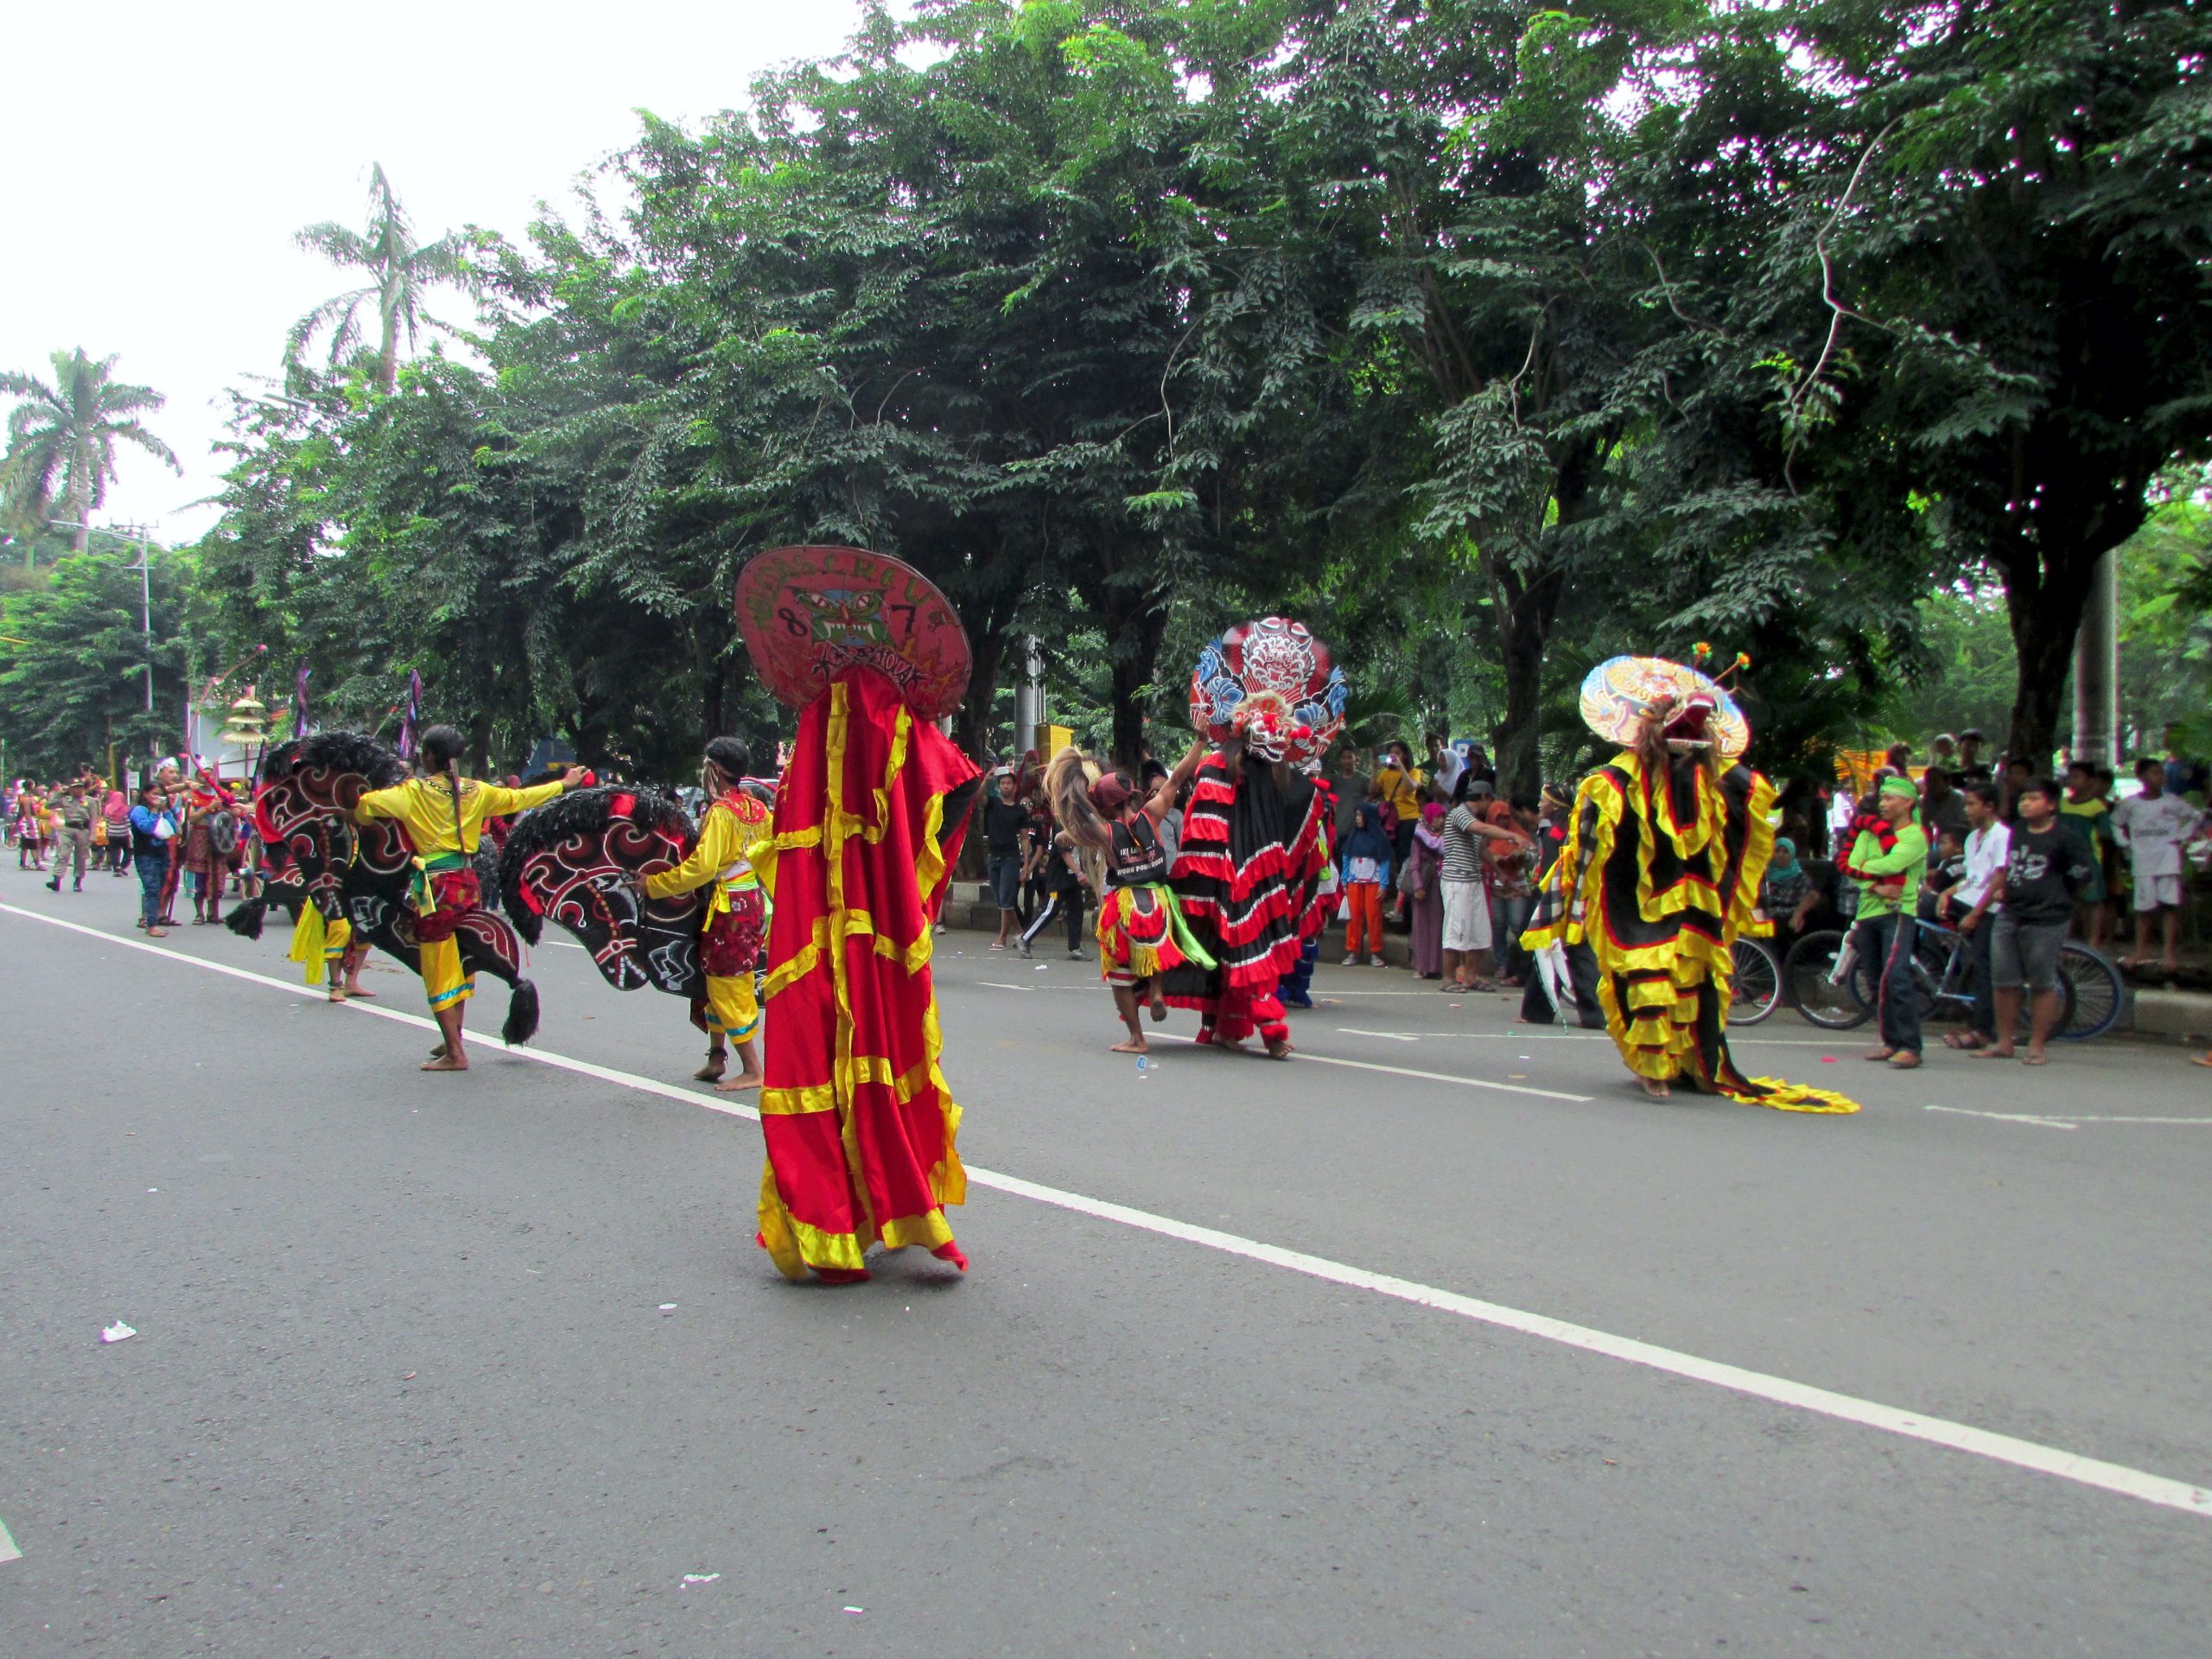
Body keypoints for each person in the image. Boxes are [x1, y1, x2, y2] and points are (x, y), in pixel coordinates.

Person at [1527, 655, 1855, 1110]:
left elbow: (1754, 825)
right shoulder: (1614, 780)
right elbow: (1583, 843)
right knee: (1648, 978)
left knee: (1696, 981)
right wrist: (1567, 902)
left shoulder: (1722, 779)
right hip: (1634, 899)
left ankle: (1693, 1063)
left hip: (1696, 896)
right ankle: (1652, 1067)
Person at [353, 725, 584, 1070]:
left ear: (429, 756)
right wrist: (563, 784)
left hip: (433, 885)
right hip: (467, 881)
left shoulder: (413, 792)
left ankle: (456, 1052)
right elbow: (519, 799)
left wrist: (359, 811)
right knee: (459, 958)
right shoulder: (476, 790)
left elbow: (365, 807)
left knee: (435, 964)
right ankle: (452, 1038)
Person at [1047, 744, 1214, 1052]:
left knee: (1120, 973)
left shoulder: (1105, 832)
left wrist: (1075, 821)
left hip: (1126, 905)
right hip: (1160, 901)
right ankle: (1156, 991)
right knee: (1155, 952)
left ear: (1107, 807)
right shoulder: (1152, 814)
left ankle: (1137, 1038)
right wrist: (1200, 742)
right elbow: (1177, 777)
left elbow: (1061, 840)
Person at [642, 737, 776, 1090]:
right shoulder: (759, 810)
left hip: (728, 907)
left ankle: (752, 1069)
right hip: (750, 903)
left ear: (715, 770)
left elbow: (703, 867)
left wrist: (654, 885)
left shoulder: (721, 812)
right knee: (718, 976)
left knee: (727, 981)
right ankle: (716, 1057)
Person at [1975, 779, 2097, 1065]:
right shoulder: (2016, 831)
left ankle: (2036, 1044)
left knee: (2042, 982)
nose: (2026, 804)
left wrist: (2058, 895)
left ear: (2052, 805)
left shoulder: (2065, 839)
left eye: (2033, 799)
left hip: (2046, 919)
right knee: (2004, 980)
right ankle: (2004, 1041)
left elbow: (2083, 876)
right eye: (2023, 799)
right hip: (2010, 913)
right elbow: (2007, 868)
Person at [1845, 775, 1929, 1069]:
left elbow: (1892, 864)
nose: (1883, 804)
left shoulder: (1915, 836)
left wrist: (1866, 868)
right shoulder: (1869, 833)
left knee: (1896, 976)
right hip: (1868, 911)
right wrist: (1875, 885)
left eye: (1890, 798)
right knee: (1875, 978)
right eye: (1882, 798)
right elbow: (1849, 867)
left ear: (1908, 802)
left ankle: (1910, 1045)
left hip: (1899, 912)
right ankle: (1890, 1040)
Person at [2112, 756, 2208, 976]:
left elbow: (2196, 816)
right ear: (2141, 777)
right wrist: (2125, 843)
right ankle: (2140, 951)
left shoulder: (2172, 801)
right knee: (2144, 909)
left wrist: (2182, 836)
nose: (2160, 777)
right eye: (2155, 772)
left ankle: (2168, 953)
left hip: (2168, 859)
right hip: (2143, 860)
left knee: (2170, 906)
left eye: (2162, 772)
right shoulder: (2130, 804)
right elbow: (2117, 823)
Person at [1440, 775, 1526, 993]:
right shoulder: (1460, 814)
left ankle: (1471, 976)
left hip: (1473, 879)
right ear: (1485, 797)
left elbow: (1481, 849)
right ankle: (1448, 979)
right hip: (1456, 881)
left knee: (1479, 931)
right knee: (1455, 930)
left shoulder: (1474, 819)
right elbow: (1485, 831)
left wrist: (1499, 874)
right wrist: (1512, 837)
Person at [1940, 782, 2009, 1052]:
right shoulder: (1972, 838)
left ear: (1989, 807)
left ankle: (1982, 1029)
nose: (1966, 810)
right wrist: (1947, 892)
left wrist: (1975, 914)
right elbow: (1972, 878)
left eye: (1972, 804)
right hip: (1971, 896)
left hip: (1990, 907)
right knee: (1927, 904)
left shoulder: (2002, 836)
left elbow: (1998, 879)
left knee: (1984, 969)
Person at [2058, 760, 2115, 948]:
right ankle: (2068, 940)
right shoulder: (2062, 804)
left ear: (2090, 781)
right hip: (2065, 858)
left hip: (2089, 858)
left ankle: (2094, 941)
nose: (2072, 781)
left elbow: (2105, 835)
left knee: (2093, 900)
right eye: (2070, 777)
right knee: (2070, 900)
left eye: (2077, 777)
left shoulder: (2097, 807)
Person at [178, 768, 237, 924]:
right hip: (200, 837)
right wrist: (208, 808)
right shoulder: (192, 795)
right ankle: (200, 913)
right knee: (200, 877)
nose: (206, 778)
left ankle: (214, 913)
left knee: (217, 876)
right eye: (202, 775)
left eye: (209, 774)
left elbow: (230, 814)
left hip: (218, 838)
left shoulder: (221, 794)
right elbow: (191, 818)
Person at [980, 768, 1031, 950]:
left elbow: (1025, 838)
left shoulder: (1020, 811)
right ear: (999, 786)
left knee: (1006, 900)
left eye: (1009, 783)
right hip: (993, 857)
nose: (1006, 786)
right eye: (1003, 783)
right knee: (1002, 901)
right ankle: (1021, 935)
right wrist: (987, 780)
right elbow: (979, 797)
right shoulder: (992, 804)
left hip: (1010, 858)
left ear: (1015, 786)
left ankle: (1004, 937)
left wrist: (1026, 864)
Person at [1340, 798, 1393, 966]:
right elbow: (1346, 858)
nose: (1357, 819)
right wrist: (1344, 882)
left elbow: (1384, 860)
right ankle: (1352, 951)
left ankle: (1375, 952)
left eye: (1360, 816)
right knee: (1353, 917)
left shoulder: (1379, 837)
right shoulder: (1353, 836)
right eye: (1356, 815)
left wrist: (1384, 884)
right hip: (1354, 882)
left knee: (1374, 917)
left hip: (1374, 882)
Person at [126, 783, 175, 937]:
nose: (157, 797)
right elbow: (146, 828)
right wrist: (154, 812)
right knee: (152, 889)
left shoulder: (163, 811)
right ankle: (151, 924)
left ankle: (152, 919)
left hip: (162, 853)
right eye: (154, 794)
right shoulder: (139, 811)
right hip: (146, 855)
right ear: (146, 794)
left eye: (160, 794)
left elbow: (173, 828)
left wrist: (166, 811)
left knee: (159, 888)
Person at [1408, 801, 1446, 980]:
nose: (1440, 820)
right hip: (1424, 883)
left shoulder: (1446, 836)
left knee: (1438, 925)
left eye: (1442, 817)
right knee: (1421, 925)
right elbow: (1414, 864)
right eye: (1437, 817)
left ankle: (1435, 966)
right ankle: (1421, 965)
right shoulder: (1419, 836)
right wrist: (1418, 886)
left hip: (1440, 883)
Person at [43, 781, 95, 893]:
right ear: (71, 789)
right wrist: (59, 793)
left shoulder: (90, 801)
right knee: (63, 854)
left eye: (80, 787)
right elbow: (48, 805)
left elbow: (93, 818)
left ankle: (78, 881)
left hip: (83, 830)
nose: (78, 790)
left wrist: (92, 834)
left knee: (81, 857)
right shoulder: (65, 800)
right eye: (75, 788)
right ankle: (56, 879)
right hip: (68, 828)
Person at [1920, 765, 1968, 845]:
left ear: (1947, 782)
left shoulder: (1958, 798)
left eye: (1935, 781)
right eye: (1928, 782)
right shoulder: (1928, 799)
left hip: (1959, 841)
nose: (1931, 785)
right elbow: (1925, 822)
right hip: (1941, 841)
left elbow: (1965, 825)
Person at [2163, 724, 2209, 808]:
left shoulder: (2196, 761)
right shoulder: (2162, 764)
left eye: (2169, 734)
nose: (2165, 737)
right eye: (2164, 734)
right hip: (2167, 815)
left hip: (2193, 815)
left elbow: (2208, 790)